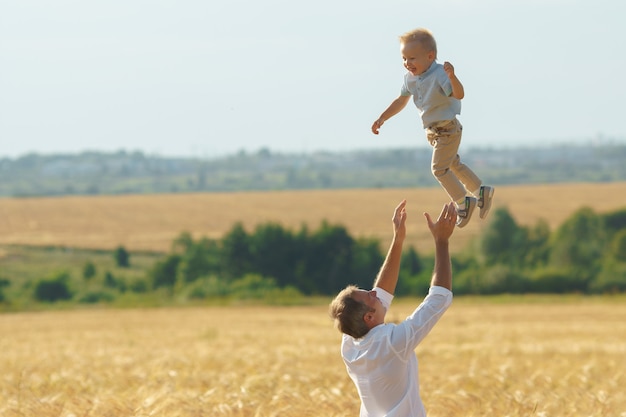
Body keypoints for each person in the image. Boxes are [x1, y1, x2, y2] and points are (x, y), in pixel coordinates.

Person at [329, 199, 456, 417]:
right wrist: (441, 241)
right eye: (368, 296)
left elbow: (382, 294)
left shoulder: (350, 344)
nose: (373, 292)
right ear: (369, 317)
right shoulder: (392, 342)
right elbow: (439, 297)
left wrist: (398, 240)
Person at [371, 27, 494, 227]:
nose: (407, 63)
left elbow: (459, 94)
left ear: (430, 56)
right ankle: (481, 191)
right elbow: (400, 101)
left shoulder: (439, 75)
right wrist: (382, 118)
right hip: (434, 132)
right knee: (453, 164)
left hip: (447, 130)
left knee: (438, 169)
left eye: (412, 58)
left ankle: (464, 203)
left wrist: (452, 77)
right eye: (404, 58)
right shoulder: (410, 79)